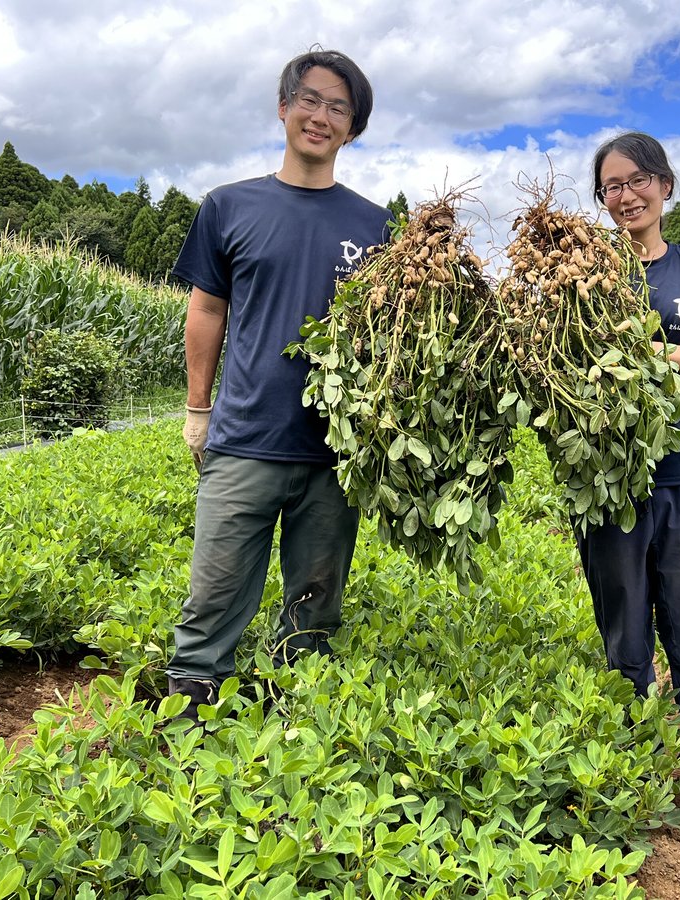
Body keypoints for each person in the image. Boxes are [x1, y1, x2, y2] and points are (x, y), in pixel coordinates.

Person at [166, 48, 391, 723]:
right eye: (311, 100)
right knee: (214, 594)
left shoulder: (377, 227)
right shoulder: (229, 206)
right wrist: (197, 410)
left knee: (314, 604)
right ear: (284, 107)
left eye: (339, 107)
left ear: (353, 128)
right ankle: (190, 717)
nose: (322, 116)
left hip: (334, 452)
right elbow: (206, 309)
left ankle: (296, 728)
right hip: (243, 439)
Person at [578, 132, 680, 845]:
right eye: (611, 186)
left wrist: (645, 354)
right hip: (606, 481)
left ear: (665, 185)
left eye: (638, 180)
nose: (625, 195)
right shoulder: (583, 274)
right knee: (624, 633)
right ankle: (639, 768)